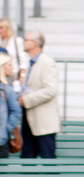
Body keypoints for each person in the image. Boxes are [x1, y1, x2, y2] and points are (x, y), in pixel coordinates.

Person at [18, 31, 59, 159]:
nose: (24, 42)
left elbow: (50, 90)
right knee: (27, 158)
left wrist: (26, 100)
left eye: (26, 40)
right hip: (29, 120)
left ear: (35, 43)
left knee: (47, 161)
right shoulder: (30, 63)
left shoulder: (47, 62)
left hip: (43, 122)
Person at [0, 53, 22, 159]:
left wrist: (6, 129)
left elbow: (16, 112)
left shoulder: (6, 90)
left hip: (1, 142)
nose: (12, 68)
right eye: (9, 65)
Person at [0, 18, 27, 85]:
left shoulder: (17, 41)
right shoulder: (1, 42)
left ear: (8, 28)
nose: (0, 30)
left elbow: (23, 59)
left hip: (14, 75)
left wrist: (22, 76)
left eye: (2, 28)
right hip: (2, 76)